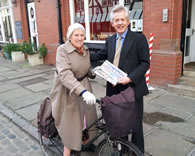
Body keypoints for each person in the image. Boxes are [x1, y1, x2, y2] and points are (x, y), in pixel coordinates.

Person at [90, 5, 150, 154]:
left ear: (128, 21)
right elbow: (101, 56)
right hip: (114, 89)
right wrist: (82, 51)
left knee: (135, 126)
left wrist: (129, 78)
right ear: (112, 23)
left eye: (122, 19)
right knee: (119, 123)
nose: (119, 23)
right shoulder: (110, 40)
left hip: (132, 89)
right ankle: (122, 150)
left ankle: (137, 152)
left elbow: (145, 63)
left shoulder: (138, 38)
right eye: (116, 20)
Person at [51, 23, 97, 156]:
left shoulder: (85, 49)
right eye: (76, 35)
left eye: (82, 35)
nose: (79, 38)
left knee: (86, 118)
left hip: (84, 86)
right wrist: (82, 91)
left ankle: (85, 142)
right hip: (67, 90)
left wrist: (94, 72)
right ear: (70, 37)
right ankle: (67, 151)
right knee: (70, 123)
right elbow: (65, 75)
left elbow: (85, 68)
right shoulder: (62, 50)